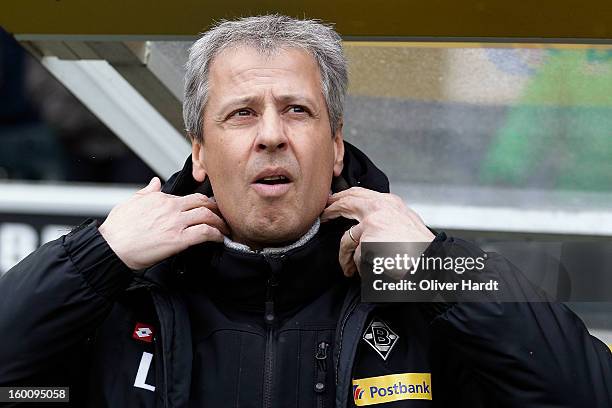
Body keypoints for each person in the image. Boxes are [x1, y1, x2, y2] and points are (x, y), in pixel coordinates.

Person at [0, 14, 611, 408]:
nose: (271, 135)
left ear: (337, 143)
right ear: (201, 151)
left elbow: (585, 392)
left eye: (297, 109)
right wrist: (95, 259)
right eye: (241, 112)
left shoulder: (421, 286)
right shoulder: (120, 288)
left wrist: (436, 267)